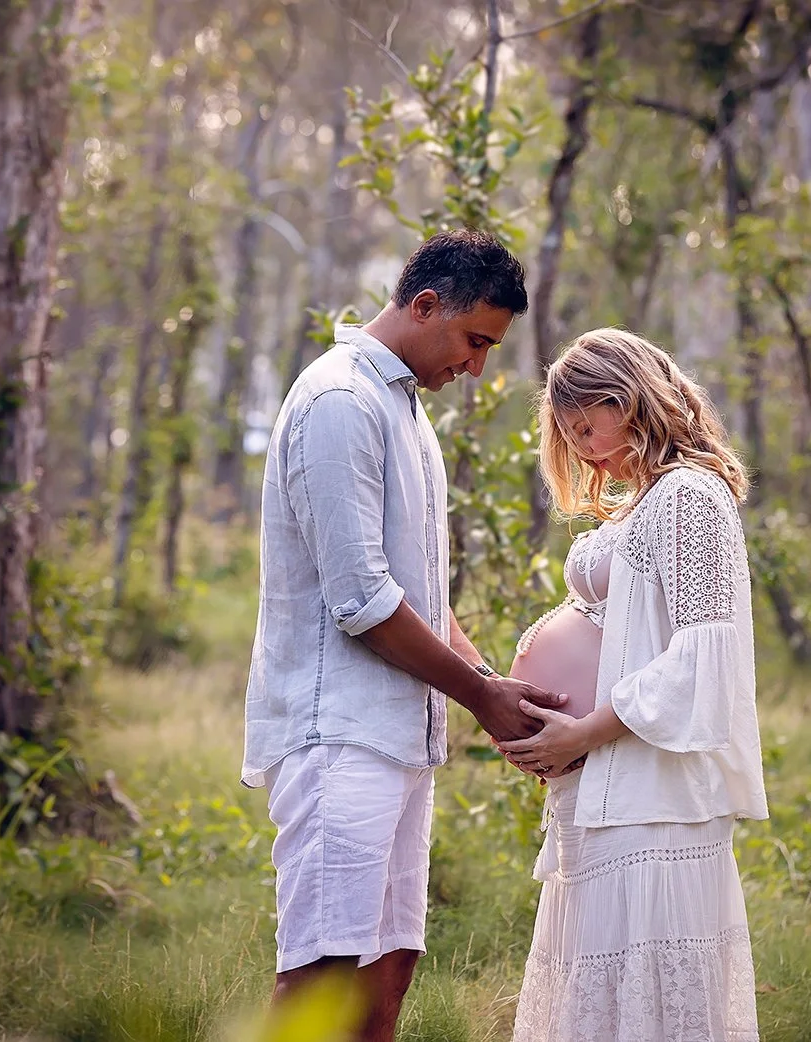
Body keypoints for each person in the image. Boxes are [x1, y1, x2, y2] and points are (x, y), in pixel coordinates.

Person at [241, 229, 567, 1042]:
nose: (476, 367)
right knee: (321, 973)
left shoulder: (403, 409)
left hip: (399, 738)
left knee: (388, 969)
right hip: (338, 734)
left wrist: (493, 687)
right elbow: (362, 601)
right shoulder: (340, 400)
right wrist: (481, 699)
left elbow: (420, 593)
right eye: (474, 341)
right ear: (424, 306)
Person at [500, 327, 770, 1042]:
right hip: (604, 791)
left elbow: (704, 656)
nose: (585, 450)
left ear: (626, 402)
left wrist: (581, 733)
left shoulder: (690, 496)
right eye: (569, 437)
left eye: (587, 428)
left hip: (654, 797)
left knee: (651, 1002)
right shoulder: (646, 500)